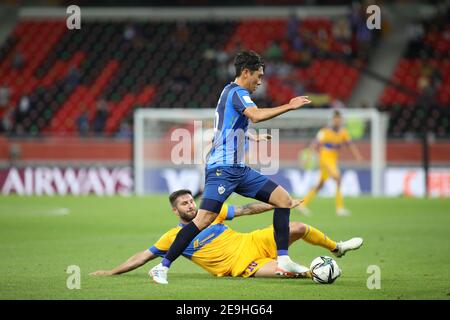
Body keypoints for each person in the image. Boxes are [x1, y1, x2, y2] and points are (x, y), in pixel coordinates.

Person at [150, 50, 312, 284]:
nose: (260, 81)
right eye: (258, 75)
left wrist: (252, 139)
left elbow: (230, 128)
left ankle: (283, 259)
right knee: (203, 220)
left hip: (239, 169)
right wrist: (289, 105)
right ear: (246, 72)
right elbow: (255, 116)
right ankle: (162, 267)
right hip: (222, 169)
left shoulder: (231, 93)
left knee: (283, 200)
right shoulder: (238, 92)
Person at [90, 190, 363, 279]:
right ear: (175, 211)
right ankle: (319, 273)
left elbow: (245, 209)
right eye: (184, 204)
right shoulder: (173, 238)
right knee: (289, 273)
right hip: (241, 265)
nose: (191, 205)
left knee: (299, 228)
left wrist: (277, 204)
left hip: (252, 240)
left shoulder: (211, 213)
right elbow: (143, 256)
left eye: (191, 201)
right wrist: (112, 272)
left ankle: (336, 248)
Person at [299, 110, 363, 216]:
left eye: (339, 120)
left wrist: (357, 155)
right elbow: (314, 145)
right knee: (338, 178)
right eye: (336, 119)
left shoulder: (343, 132)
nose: (338, 122)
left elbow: (350, 145)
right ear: (333, 120)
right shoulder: (324, 132)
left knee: (320, 185)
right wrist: (308, 158)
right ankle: (340, 208)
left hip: (333, 160)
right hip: (325, 158)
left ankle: (303, 203)